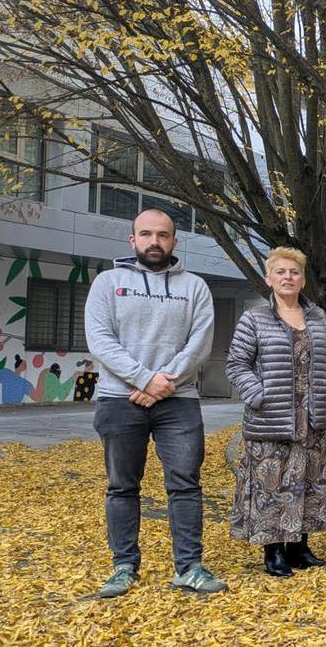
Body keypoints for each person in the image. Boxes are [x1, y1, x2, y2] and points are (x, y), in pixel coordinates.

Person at [84, 207, 224, 597]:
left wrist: (163, 383)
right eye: (145, 234)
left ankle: (188, 567)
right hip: (119, 399)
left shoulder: (195, 287)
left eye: (162, 235)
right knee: (122, 486)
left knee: (185, 484)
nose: (154, 242)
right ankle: (123, 567)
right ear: (133, 240)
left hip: (178, 403)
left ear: (175, 241)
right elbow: (100, 340)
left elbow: (200, 343)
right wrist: (146, 380)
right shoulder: (107, 283)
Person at [227, 246, 326, 577]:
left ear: (303, 280)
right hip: (270, 416)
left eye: (294, 272)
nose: (288, 277)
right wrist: (257, 395)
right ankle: (274, 550)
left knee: (306, 481)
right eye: (281, 272)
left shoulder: (318, 317)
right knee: (270, 484)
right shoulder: (255, 318)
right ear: (269, 278)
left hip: (311, 418)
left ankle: (299, 547)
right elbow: (237, 364)